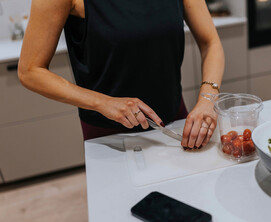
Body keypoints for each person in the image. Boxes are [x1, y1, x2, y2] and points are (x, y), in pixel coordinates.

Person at [18, 0, 224, 150]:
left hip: (175, 121)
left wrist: (208, 99)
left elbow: (211, 42)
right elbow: (30, 70)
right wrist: (103, 102)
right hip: (109, 133)